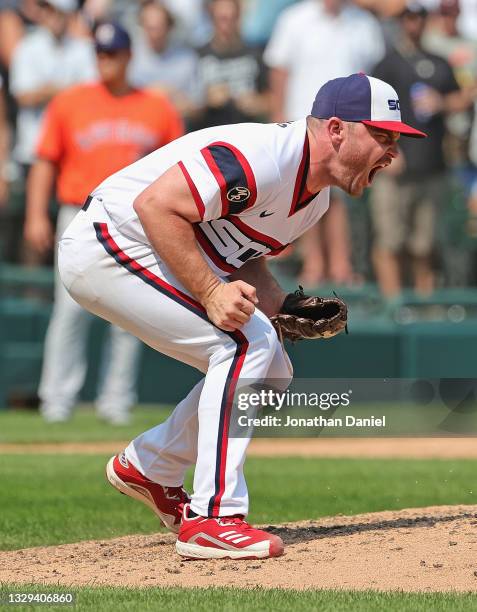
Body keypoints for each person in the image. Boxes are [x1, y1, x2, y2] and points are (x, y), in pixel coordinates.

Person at [58, 73, 424, 559]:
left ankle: (150, 466)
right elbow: (156, 206)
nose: (392, 150)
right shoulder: (264, 157)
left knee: (272, 370)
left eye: (395, 139)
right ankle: (213, 517)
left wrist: (277, 303)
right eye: (382, 136)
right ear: (336, 129)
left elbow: (237, 253)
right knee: (244, 343)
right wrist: (210, 291)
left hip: (149, 249)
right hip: (109, 240)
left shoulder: (314, 202)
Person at [23, 21, 184, 424]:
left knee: (130, 313)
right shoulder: (70, 102)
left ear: (129, 56)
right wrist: (34, 214)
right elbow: (46, 160)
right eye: (99, 53)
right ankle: (56, 401)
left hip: (136, 218)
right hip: (78, 212)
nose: (105, 60)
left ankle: (116, 402)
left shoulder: (156, 106)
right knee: (70, 310)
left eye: (112, 53)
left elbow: (181, 168)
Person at [264, 0, 385, 287]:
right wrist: (277, 115)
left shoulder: (364, 23)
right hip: (303, 122)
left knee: (338, 196)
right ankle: (314, 264)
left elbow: (374, 75)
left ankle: (340, 265)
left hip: (352, 124)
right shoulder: (294, 19)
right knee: (308, 193)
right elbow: (279, 72)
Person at [370, 1, 468, 298]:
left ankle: (423, 307)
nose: (413, 23)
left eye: (418, 17)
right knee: (390, 241)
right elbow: (370, 113)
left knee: (424, 245)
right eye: (408, 18)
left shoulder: (439, 61)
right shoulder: (386, 63)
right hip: (394, 166)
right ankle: (394, 307)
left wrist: (443, 102)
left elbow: (460, 99)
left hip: (432, 165)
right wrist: (386, 152)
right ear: (401, 21)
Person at [194, 0, 269, 129]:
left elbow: (273, 98)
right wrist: (206, 101)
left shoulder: (255, 53)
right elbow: (186, 106)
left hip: (247, 128)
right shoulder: (198, 55)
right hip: (210, 129)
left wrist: (256, 103)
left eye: (232, 18)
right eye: (222, 19)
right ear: (212, 19)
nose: (226, 25)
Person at [128, 0, 202, 124]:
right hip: (140, 125)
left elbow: (198, 106)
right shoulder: (130, 58)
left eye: (159, 27)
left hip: (179, 127)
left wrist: (174, 97)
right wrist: (153, 95)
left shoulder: (186, 59)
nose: (155, 34)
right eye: (150, 27)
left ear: (169, 26)